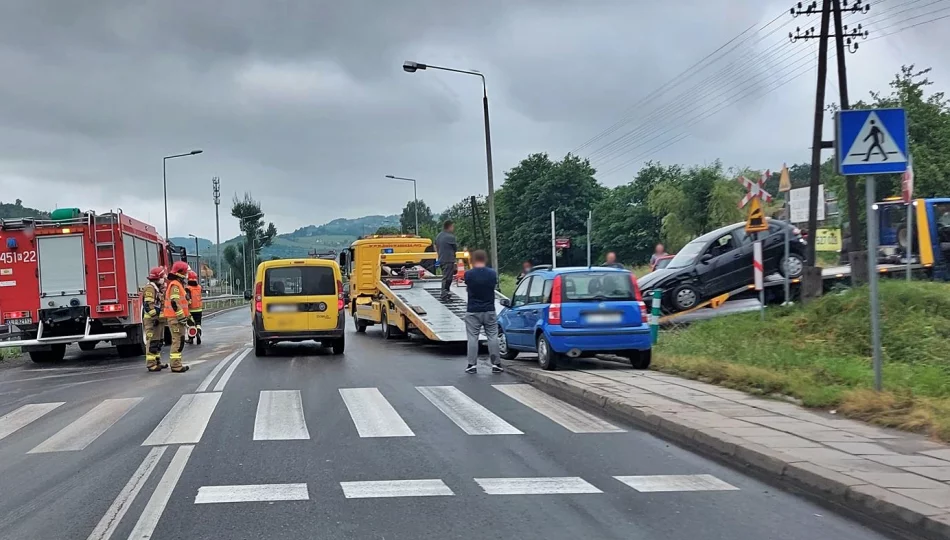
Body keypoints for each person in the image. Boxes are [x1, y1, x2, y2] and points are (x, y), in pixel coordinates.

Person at [463, 250, 502, 374]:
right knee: (492, 336)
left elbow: (467, 286)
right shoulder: (492, 274)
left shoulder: (468, 274)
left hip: (473, 310)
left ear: (473, 260)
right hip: (489, 309)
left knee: (473, 337)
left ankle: (472, 365)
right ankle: (496, 364)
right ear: (485, 259)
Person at [162, 261, 192, 372]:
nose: (187, 275)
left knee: (180, 340)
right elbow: (174, 302)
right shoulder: (175, 285)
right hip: (175, 318)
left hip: (178, 318)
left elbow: (182, 303)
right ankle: (175, 365)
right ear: (180, 273)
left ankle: (177, 364)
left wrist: (188, 317)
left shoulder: (178, 285)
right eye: (186, 272)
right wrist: (180, 316)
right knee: (177, 341)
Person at [142, 266, 168, 372]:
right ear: (158, 277)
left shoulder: (157, 288)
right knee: (152, 342)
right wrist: (154, 317)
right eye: (162, 277)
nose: (164, 280)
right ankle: (151, 364)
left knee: (158, 341)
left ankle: (157, 361)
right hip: (152, 320)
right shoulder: (150, 288)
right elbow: (148, 305)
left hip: (158, 320)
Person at [435, 220, 458, 301]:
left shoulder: (439, 236)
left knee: (446, 276)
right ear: (450, 226)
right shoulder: (450, 237)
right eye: (452, 226)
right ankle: (444, 294)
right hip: (448, 259)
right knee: (447, 278)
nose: (453, 228)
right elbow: (455, 248)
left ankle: (446, 293)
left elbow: (436, 246)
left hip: (441, 259)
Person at [186, 270, 203, 345]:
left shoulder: (188, 288)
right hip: (199, 309)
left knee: (191, 324)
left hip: (190, 309)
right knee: (198, 323)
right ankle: (198, 333)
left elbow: (187, 298)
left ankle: (191, 339)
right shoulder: (199, 287)